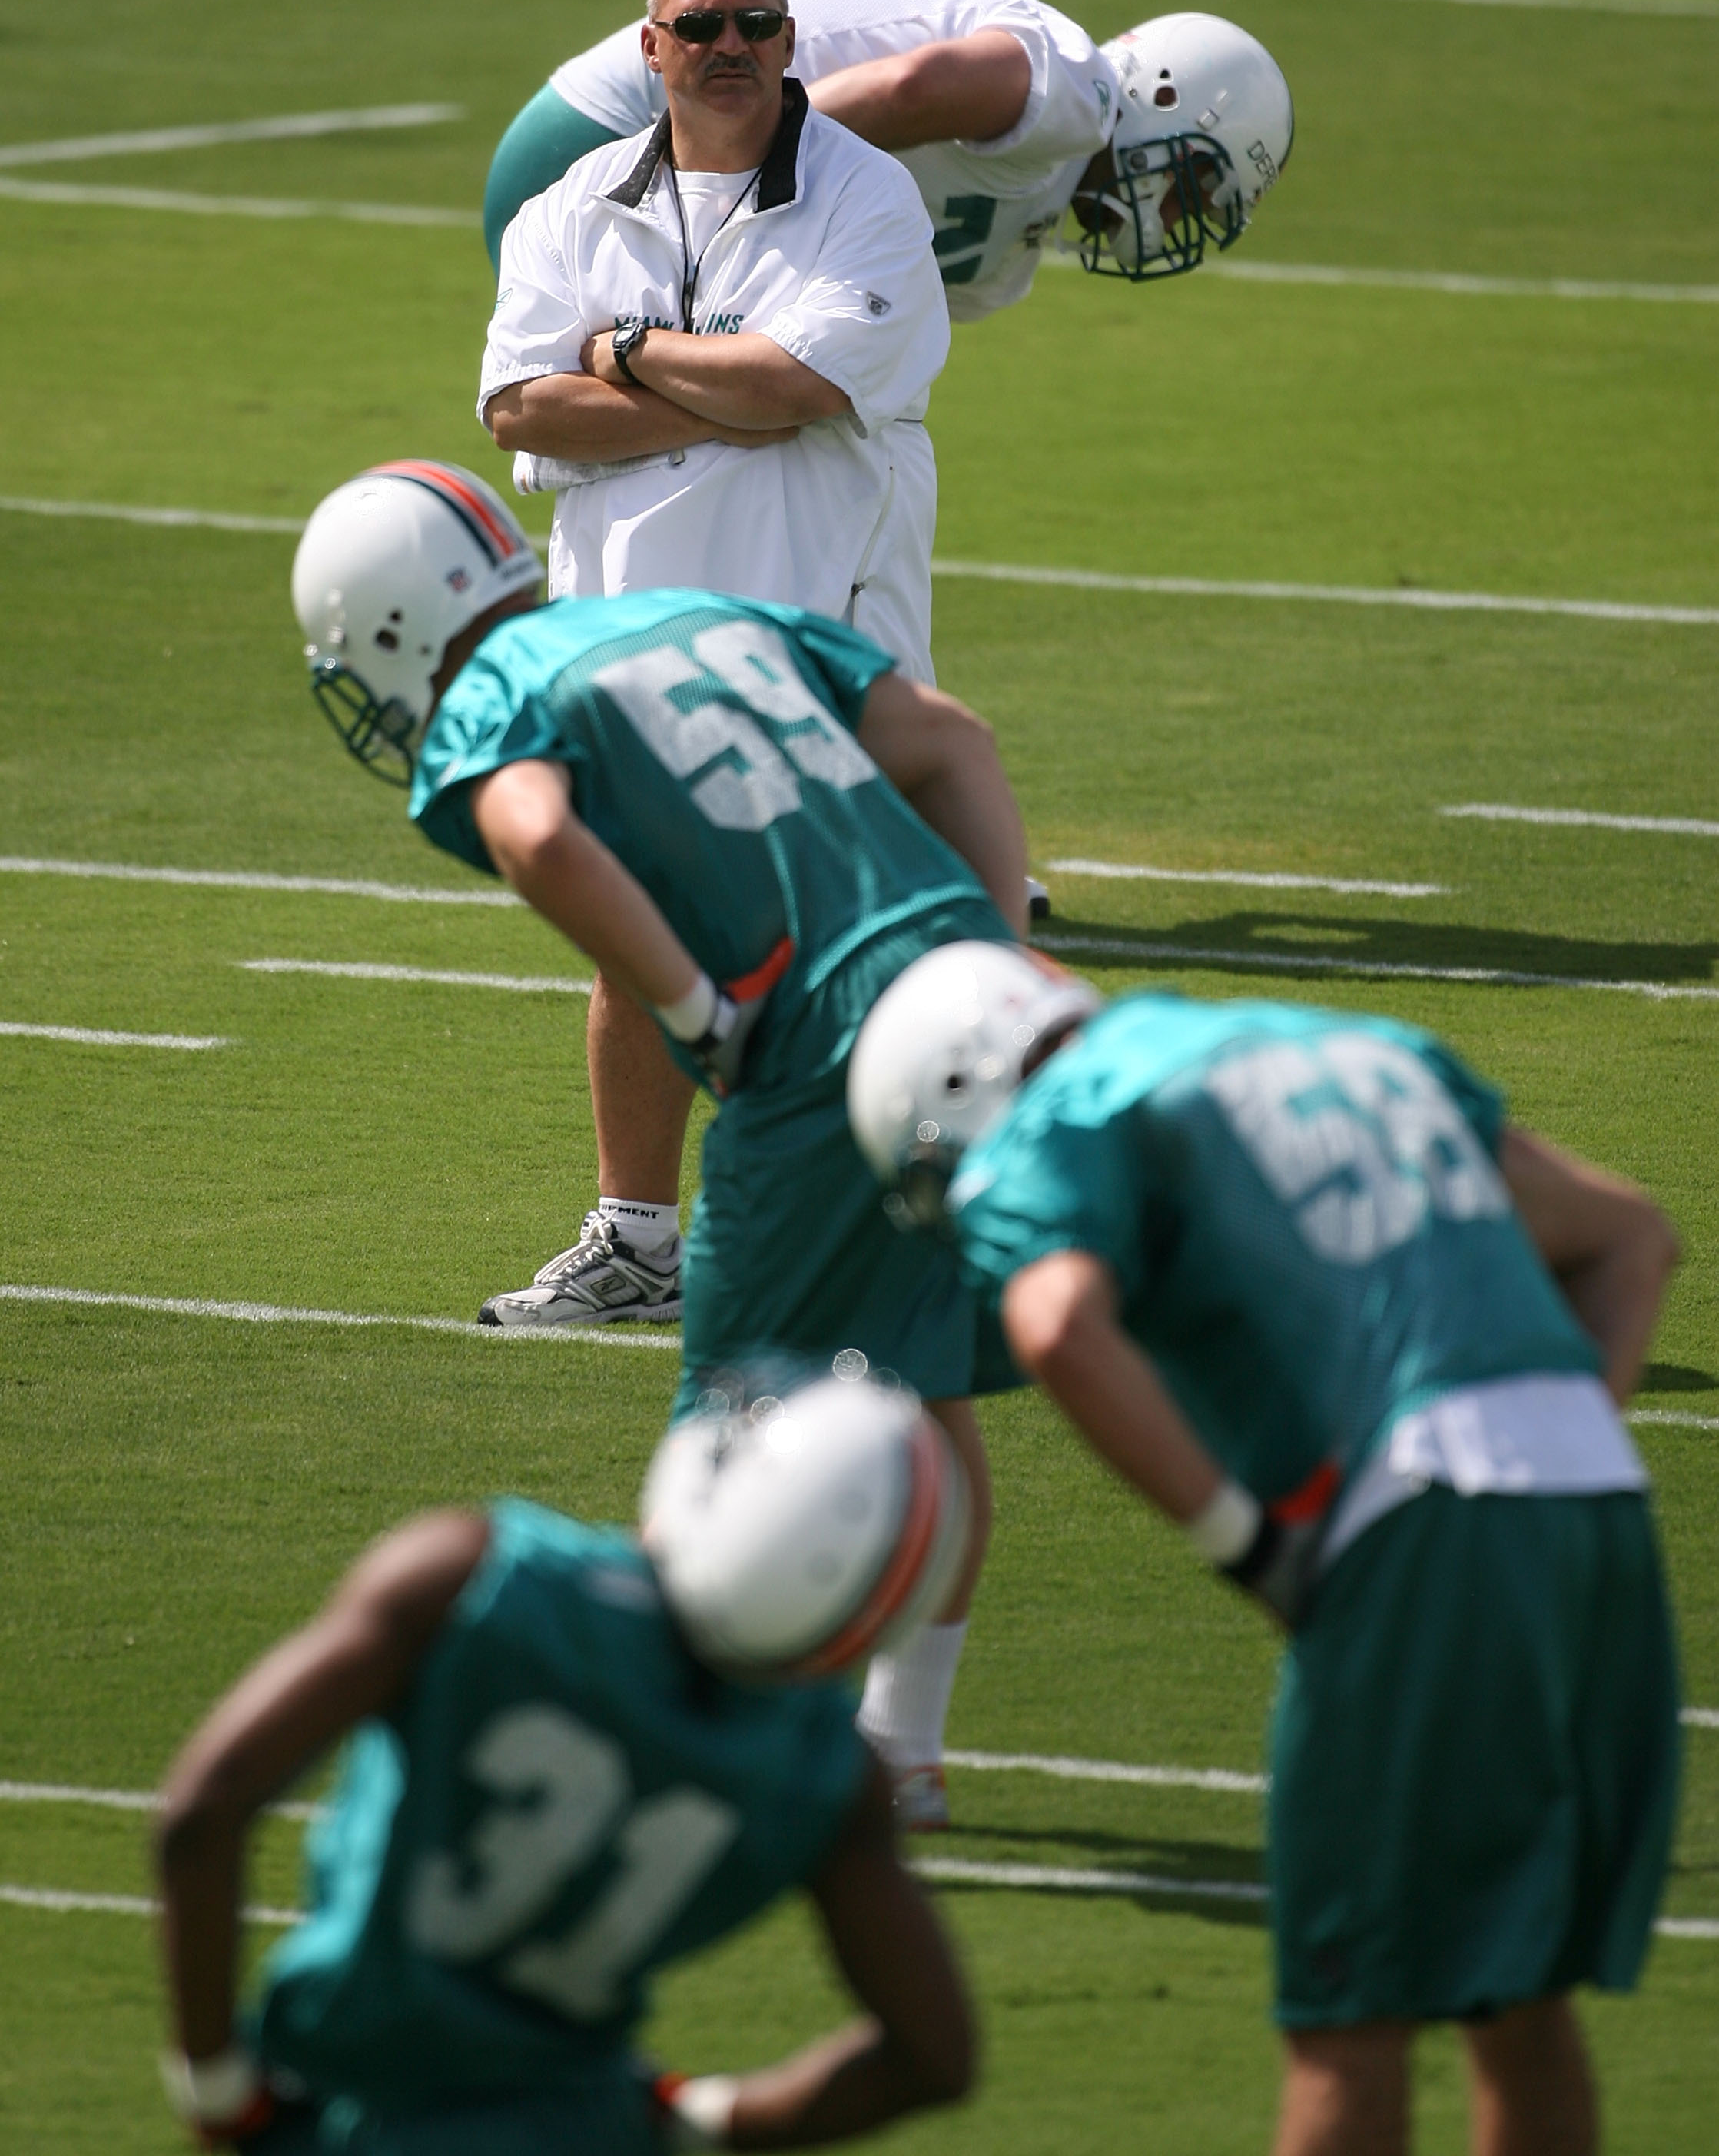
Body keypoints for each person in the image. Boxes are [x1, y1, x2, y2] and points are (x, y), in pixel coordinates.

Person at [847, 945, 1682, 2156]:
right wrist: (1546, 1463)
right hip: (1598, 1509)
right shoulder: (1342, 1041)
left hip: (1422, 1514)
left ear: (970, 1091)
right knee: (1517, 2005)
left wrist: (1252, 1549)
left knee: (1348, 2030)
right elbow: (1631, 1240)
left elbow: (1059, 1320)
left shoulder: (1069, 1108)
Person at [294, 458, 1027, 1826]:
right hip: (968, 1004)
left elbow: (537, 836)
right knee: (925, 1387)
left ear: (394, 626)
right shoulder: (698, 611)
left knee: (733, 1419)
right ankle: (900, 1750)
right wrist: (998, 963)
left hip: (814, 1051)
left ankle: (681, 1741)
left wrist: (700, 1009)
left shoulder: (501, 693)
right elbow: (957, 744)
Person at [480, 0, 962, 1344]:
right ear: (651, 49)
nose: (729, 47)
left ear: (789, 36)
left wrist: (619, 354)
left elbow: (805, 382)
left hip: (818, 640)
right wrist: (732, 392)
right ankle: (635, 1242)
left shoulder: (866, 198)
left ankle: (926, 1240)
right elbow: (516, 408)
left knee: (856, 960)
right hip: (623, 650)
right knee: (642, 947)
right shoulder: (569, 204)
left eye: (753, 22)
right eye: (699, 27)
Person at [154, 1373, 977, 2151]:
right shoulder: (828, 1774)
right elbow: (934, 2056)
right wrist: (695, 2119)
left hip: (344, 2103)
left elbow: (200, 1814)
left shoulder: (478, 1581)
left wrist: (217, 2084)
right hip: (578, 2127)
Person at [486, 0, 1294, 312]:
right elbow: (902, 91)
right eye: (1190, 183)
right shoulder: (1068, 92)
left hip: (682, 187)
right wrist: (699, 190)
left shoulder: (1004, 269)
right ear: (1161, 95)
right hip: (621, 123)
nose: (1177, 213)